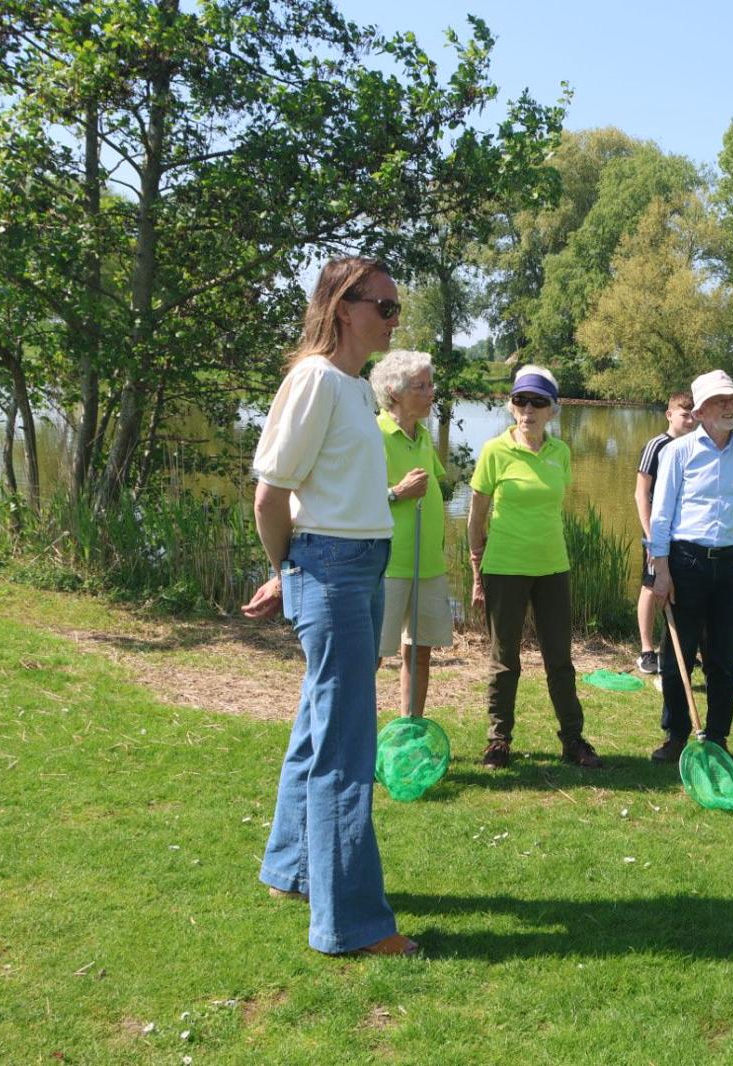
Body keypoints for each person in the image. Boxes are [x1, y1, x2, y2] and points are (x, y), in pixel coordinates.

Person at [239, 256, 416, 957]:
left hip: (358, 564)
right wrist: (287, 567)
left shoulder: (353, 386)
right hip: (334, 571)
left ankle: (292, 869)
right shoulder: (313, 379)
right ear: (345, 307)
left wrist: (296, 567)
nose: (393, 319)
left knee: (320, 727)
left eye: (397, 308)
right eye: (385, 306)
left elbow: (334, 492)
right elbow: (270, 493)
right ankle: (350, 924)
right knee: (346, 746)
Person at [468, 365, 603, 770]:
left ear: (552, 411)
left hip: (552, 568)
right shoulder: (494, 451)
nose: (527, 409)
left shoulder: (560, 453)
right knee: (504, 660)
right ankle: (498, 741)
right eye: (520, 400)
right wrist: (477, 571)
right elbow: (476, 519)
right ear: (511, 407)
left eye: (537, 402)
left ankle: (573, 741)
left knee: (560, 659)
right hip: (504, 568)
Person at [647, 369, 733, 761]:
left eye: (732, 400)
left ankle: (717, 737)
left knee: (724, 659)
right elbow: (661, 517)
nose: (729, 406)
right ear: (699, 411)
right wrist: (661, 571)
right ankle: (676, 734)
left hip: (731, 566)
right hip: (686, 562)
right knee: (676, 654)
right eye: (720, 401)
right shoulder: (677, 452)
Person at [372, 349, 452, 718]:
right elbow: (350, 498)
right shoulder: (373, 434)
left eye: (431, 384)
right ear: (394, 391)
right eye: (422, 386)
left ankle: (411, 729)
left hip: (428, 565)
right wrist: (396, 493)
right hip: (387, 566)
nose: (430, 392)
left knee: (419, 652)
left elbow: (434, 486)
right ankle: (356, 737)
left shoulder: (422, 436)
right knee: (371, 656)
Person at [633, 391, 697, 675]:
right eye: (684, 414)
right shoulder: (656, 445)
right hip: (657, 532)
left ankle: (678, 649)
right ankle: (647, 651)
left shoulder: (697, 446)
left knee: (682, 588)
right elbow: (640, 493)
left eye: (694, 414)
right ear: (669, 414)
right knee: (651, 586)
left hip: (685, 533)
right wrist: (650, 537)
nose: (690, 420)